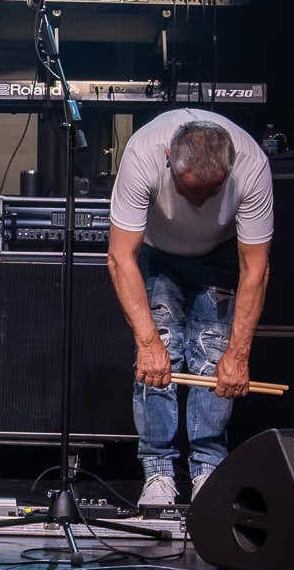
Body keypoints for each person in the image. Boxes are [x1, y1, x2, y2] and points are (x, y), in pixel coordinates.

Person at [105, 110, 274, 509]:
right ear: (168, 158)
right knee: (158, 352)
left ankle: (208, 472)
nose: (198, 202)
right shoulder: (143, 154)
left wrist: (239, 354)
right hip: (156, 250)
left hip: (219, 252)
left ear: (228, 170)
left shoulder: (251, 167)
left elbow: (256, 269)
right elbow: (119, 257)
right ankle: (159, 471)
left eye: (210, 192)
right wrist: (147, 344)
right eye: (188, 190)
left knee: (213, 355)